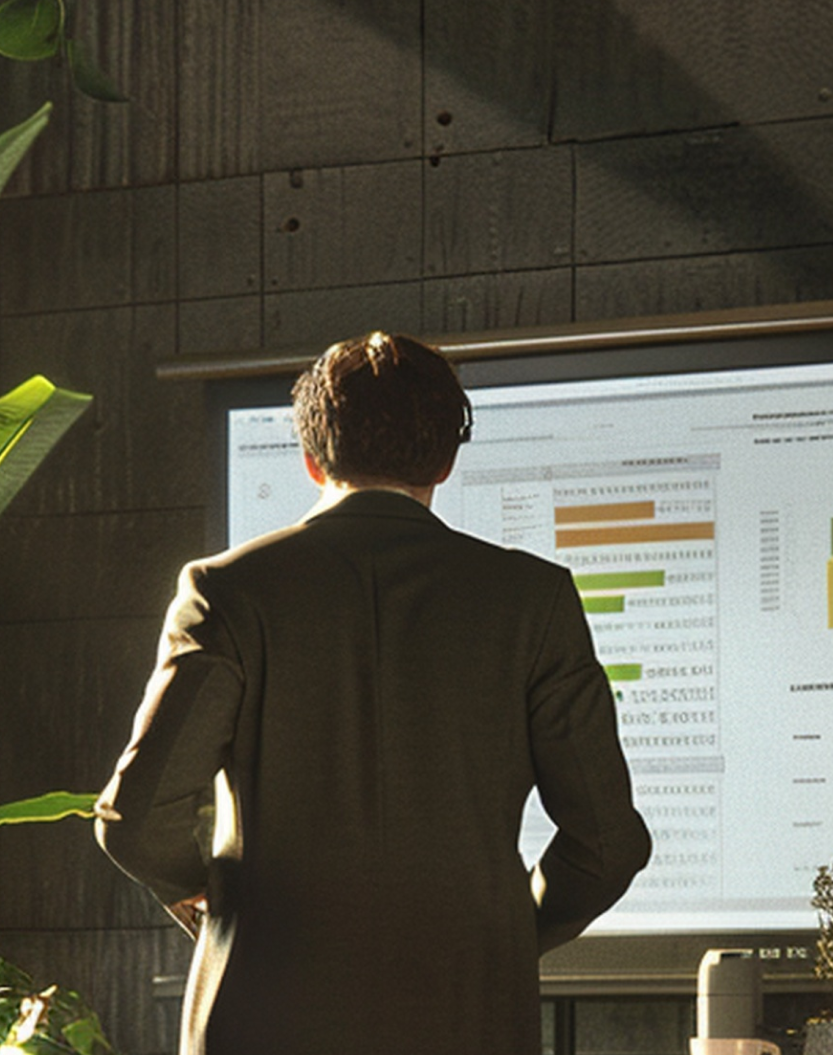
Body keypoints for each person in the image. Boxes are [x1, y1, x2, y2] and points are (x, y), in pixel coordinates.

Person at [97, 331, 651, 1055]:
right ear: (446, 462)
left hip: (261, 1018)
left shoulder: (225, 591)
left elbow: (136, 821)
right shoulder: (532, 600)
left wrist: (207, 897)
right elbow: (605, 847)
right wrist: (499, 935)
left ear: (309, 456)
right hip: (469, 1019)